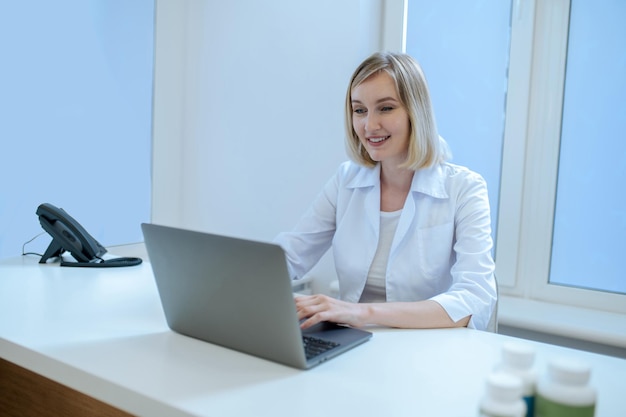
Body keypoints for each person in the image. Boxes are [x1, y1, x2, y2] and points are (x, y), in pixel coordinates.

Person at [274, 51, 496, 331]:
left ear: (415, 112)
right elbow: (290, 255)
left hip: (426, 349)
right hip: (351, 343)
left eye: (386, 108)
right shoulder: (346, 181)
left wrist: (360, 312)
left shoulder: (464, 188)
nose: (369, 125)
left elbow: (476, 298)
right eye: (359, 110)